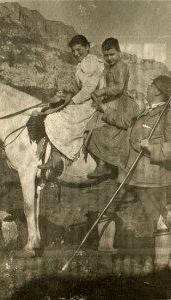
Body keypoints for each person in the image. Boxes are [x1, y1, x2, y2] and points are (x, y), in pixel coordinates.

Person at [39, 35, 104, 172]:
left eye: (79, 50)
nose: (75, 53)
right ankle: (55, 156)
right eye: (73, 51)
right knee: (56, 111)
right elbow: (83, 89)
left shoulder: (90, 62)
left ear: (87, 47)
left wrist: (72, 101)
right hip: (88, 100)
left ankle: (56, 158)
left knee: (54, 117)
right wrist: (67, 96)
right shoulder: (83, 63)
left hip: (93, 103)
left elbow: (89, 88)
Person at [118, 75, 171, 234]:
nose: (147, 89)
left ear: (156, 91)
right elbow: (125, 123)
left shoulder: (167, 114)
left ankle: (162, 259)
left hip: (153, 179)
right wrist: (105, 112)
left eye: (150, 86)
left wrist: (152, 148)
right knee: (109, 207)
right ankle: (105, 252)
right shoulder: (146, 112)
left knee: (160, 222)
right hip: (133, 174)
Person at [87, 37, 140, 178]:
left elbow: (119, 87)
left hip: (120, 104)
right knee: (90, 125)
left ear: (119, 52)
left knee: (104, 131)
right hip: (111, 101)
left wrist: (103, 91)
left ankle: (104, 165)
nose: (109, 58)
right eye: (106, 55)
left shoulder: (122, 66)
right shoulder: (108, 68)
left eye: (112, 54)